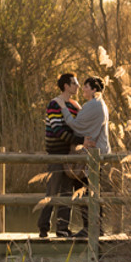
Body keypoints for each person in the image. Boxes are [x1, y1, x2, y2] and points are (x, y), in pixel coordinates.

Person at [36, 73, 87, 238]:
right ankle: (43, 226)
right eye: (75, 83)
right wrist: (81, 141)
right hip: (56, 152)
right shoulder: (54, 104)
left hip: (70, 153)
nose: (78, 86)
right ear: (66, 85)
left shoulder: (74, 105)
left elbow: (79, 126)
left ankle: (62, 228)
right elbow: (57, 130)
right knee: (52, 190)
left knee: (67, 191)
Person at [64, 76, 112, 236]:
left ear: (94, 89)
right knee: (92, 190)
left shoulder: (94, 105)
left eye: (86, 86)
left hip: (92, 154)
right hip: (97, 152)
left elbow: (76, 125)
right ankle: (96, 228)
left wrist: (63, 109)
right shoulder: (98, 104)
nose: (82, 89)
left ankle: (90, 228)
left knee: (85, 189)